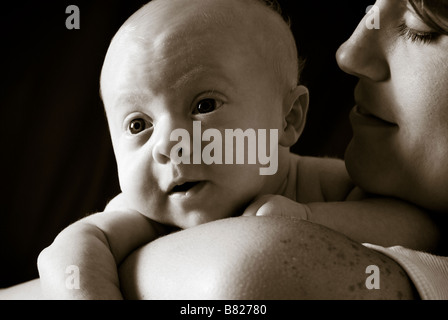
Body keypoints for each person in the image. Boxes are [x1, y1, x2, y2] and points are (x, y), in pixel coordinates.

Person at [34, 0, 442, 300]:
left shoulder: (320, 185)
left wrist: (306, 218)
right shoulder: (142, 215)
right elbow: (67, 255)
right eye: (138, 125)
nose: (168, 145)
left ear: (288, 119)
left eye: (204, 106)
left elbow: (417, 229)